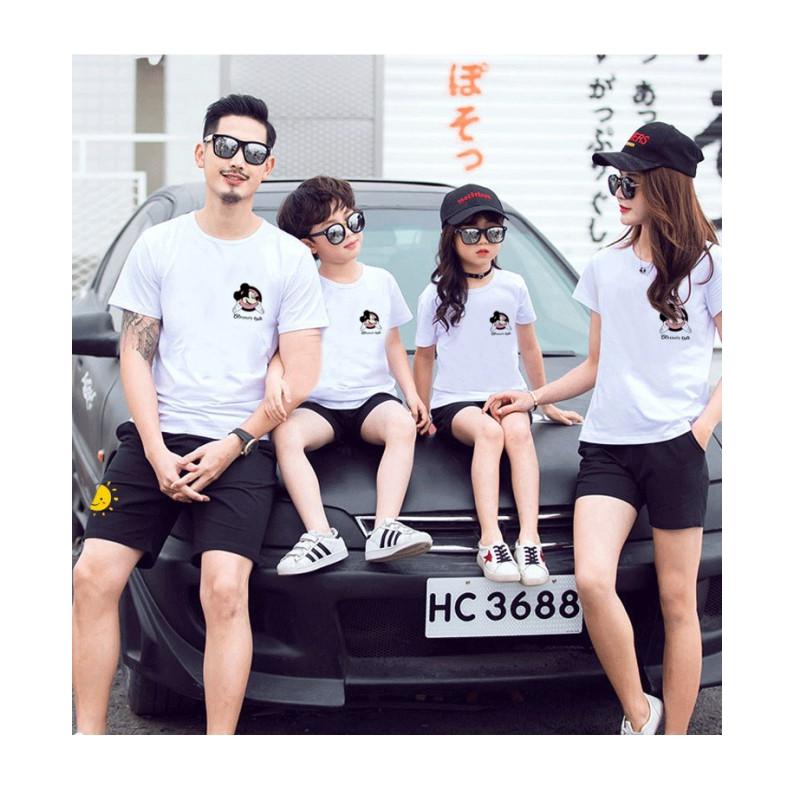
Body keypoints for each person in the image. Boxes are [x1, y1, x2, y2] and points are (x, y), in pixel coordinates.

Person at [72, 95, 329, 734]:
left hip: (241, 445)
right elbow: (136, 353)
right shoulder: (160, 245)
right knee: (91, 576)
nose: (238, 161)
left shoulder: (287, 258)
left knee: (224, 590)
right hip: (155, 437)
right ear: (202, 153)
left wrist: (235, 442)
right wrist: (155, 450)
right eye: (226, 146)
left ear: (268, 167)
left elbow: (301, 373)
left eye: (253, 152)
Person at [483, 122, 722, 735]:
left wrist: (699, 431)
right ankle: (640, 714)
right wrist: (533, 396)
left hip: (675, 449)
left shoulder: (708, 264)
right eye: (616, 181)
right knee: (591, 579)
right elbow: (595, 364)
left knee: (678, 602)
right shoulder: (604, 267)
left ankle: (675, 742)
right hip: (609, 448)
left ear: (664, 186)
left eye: (629, 183)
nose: (618, 193)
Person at [413, 184, 582, 586]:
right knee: (489, 434)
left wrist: (543, 402)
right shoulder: (434, 294)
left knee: (519, 433)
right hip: (455, 402)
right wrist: (420, 408)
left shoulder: (514, 285)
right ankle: (490, 541)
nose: (483, 242)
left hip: (508, 392)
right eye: (471, 233)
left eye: (493, 231)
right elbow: (423, 356)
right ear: (451, 237)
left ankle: (530, 539)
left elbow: (530, 347)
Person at [266, 176, 433, 574]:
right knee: (286, 435)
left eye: (353, 221)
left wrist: (411, 395)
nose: (350, 234)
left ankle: (386, 528)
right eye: (335, 231)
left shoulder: (381, 281)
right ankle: (320, 535)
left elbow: (393, 344)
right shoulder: (302, 287)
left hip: (372, 399)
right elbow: (281, 348)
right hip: (317, 403)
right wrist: (275, 381)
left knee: (401, 425)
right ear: (309, 244)